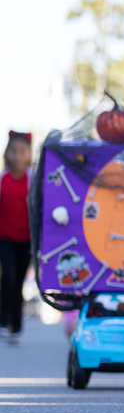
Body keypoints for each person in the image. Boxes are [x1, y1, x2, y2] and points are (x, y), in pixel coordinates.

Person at [0, 131, 32, 346]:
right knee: (8, 277)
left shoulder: (33, 178)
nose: (17, 156)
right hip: (5, 238)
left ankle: (16, 328)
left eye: (22, 151)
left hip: (26, 240)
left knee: (19, 283)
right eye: (13, 151)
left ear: (29, 155)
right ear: (7, 153)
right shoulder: (2, 178)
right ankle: (3, 322)